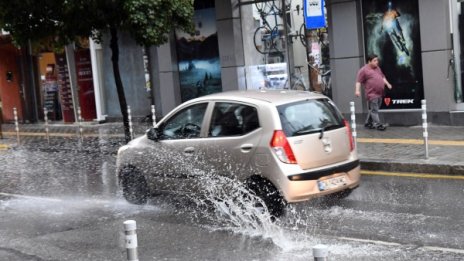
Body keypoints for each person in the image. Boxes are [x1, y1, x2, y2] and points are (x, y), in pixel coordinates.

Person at [355, 54, 392, 131]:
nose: (377, 62)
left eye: (377, 60)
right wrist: (357, 90)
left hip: (380, 93)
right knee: (374, 110)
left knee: (373, 109)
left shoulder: (377, 68)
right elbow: (358, 81)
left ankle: (368, 123)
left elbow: (382, 77)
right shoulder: (363, 70)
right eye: (374, 60)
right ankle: (378, 125)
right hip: (372, 94)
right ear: (369, 61)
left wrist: (387, 84)